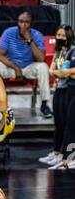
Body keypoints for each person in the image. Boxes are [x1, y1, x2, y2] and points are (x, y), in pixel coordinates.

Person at [0, 11, 52, 118]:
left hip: (29, 66)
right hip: (11, 67)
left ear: (31, 24)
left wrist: (29, 40)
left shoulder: (37, 35)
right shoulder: (9, 33)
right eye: (20, 21)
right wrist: (15, 67)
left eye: (26, 22)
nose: (22, 25)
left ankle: (45, 104)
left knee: (43, 67)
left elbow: (41, 59)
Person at [39, 25, 75, 168]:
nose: (59, 38)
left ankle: (67, 157)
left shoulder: (72, 51)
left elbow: (65, 72)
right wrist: (62, 72)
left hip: (69, 88)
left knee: (69, 125)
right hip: (60, 88)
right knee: (59, 123)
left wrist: (64, 72)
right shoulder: (59, 51)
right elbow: (52, 70)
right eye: (58, 35)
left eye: (62, 36)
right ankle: (58, 153)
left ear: (69, 36)